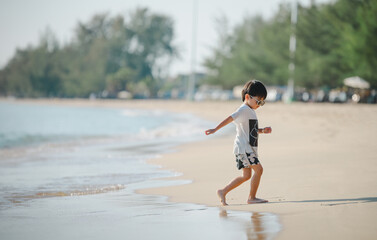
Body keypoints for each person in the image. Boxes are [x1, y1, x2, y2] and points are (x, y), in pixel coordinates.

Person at [205, 80, 272, 206]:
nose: (259, 105)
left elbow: (251, 131)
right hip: (244, 148)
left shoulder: (250, 111)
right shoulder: (243, 110)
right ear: (247, 97)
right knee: (259, 170)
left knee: (246, 176)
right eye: (258, 101)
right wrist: (215, 129)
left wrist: (262, 130)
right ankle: (252, 197)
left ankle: (223, 191)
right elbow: (230, 118)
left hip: (246, 148)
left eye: (262, 102)